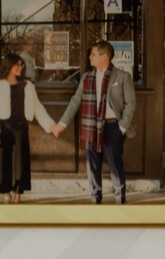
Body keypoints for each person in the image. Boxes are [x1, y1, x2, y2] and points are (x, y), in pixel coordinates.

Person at [53, 41, 136, 204]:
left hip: (113, 127)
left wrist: (122, 128)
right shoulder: (87, 77)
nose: (90, 57)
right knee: (92, 166)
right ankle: (95, 201)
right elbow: (75, 101)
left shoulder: (123, 76)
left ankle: (120, 201)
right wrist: (62, 124)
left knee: (115, 166)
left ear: (104, 57)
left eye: (93, 54)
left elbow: (131, 104)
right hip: (91, 127)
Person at [0, 53, 59, 204]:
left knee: (20, 162)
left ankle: (18, 193)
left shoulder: (27, 85)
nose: (20, 67)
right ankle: (7, 193)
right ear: (8, 65)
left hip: (20, 128)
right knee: (4, 161)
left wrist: (51, 125)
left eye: (21, 65)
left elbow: (38, 108)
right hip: (3, 128)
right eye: (17, 65)